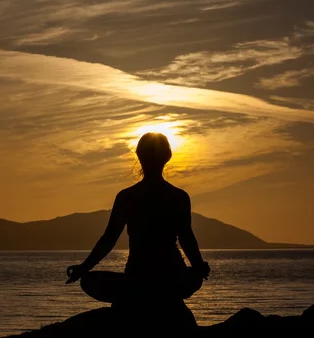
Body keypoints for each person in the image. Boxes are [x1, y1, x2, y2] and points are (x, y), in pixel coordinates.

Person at [66, 132, 210, 308]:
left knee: (88, 281)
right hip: (172, 276)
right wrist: (198, 267)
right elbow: (186, 238)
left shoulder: (127, 197)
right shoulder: (178, 196)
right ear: (167, 157)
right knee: (193, 277)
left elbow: (109, 239)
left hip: (138, 275)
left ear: (139, 156)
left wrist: (84, 268)